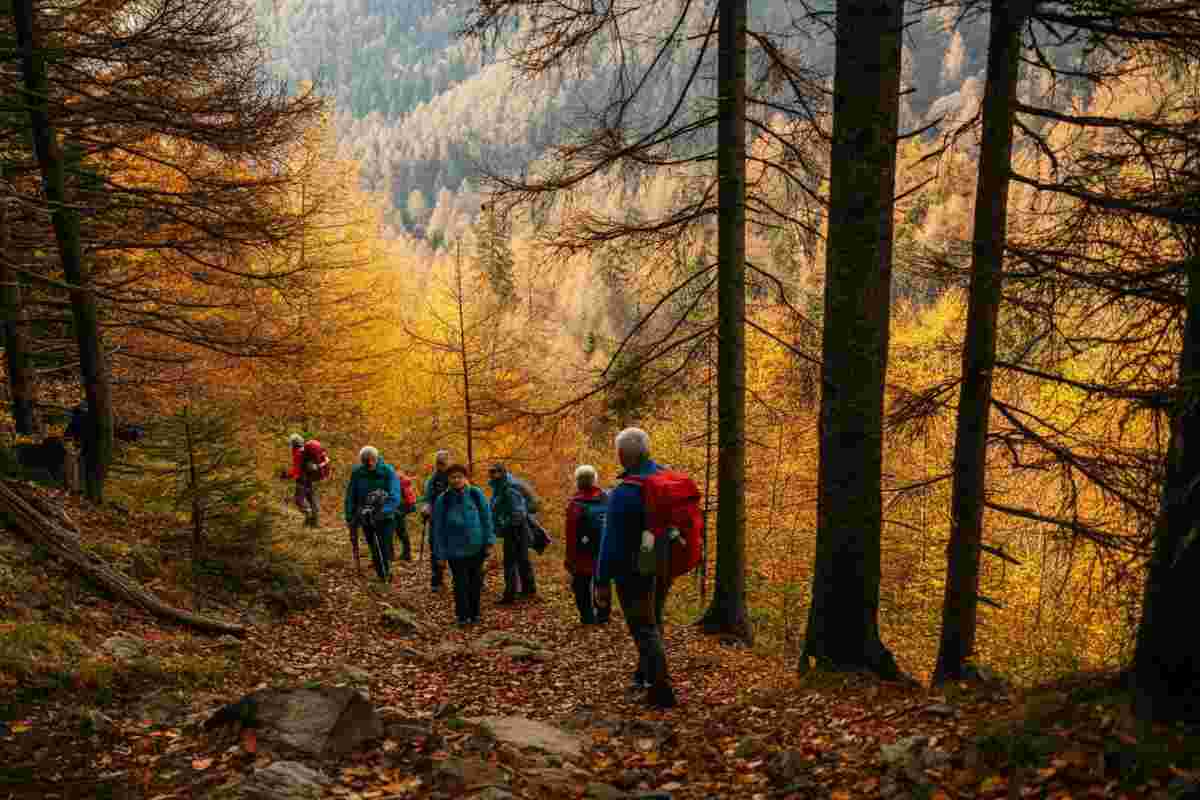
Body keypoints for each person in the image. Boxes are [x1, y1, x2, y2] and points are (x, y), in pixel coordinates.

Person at [594, 427, 677, 709]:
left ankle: (661, 689)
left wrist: (601, 580)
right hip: (663, 561)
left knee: (644, 627)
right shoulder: (666, 477)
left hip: (634, 570)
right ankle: (644, 675)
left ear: (621, 456)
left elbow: (611, 541)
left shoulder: (624, 492)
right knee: (654, 620)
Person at [431, 463, 494, 626]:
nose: (456, 480)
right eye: (453, 477)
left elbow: (487, 519)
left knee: (475, 581)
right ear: (448, 479)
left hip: (476, 547)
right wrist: (439, 554)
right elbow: (437, 528)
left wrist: (489, 542)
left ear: (465, 478)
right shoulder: (443, 500)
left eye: (460, 476)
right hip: (454, 550)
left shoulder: (476, 494)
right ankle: (462, 616)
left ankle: (475, 614)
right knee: (460, 583)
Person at [344, 446, 403, 582]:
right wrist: (349, 514)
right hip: (366, 516)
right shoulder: (357, 472)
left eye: (372, 460)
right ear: (362, 461)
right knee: (373, 545)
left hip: (385, 517)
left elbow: (395, 495)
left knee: (382, 545)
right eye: (366, 461)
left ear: (377, 458)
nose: (370, 463)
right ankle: (381, 573)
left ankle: (385, 574)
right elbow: (351, 494)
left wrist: (384, 511)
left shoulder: (387, 471)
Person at [564, 464, 610, 625]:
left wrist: (569, 558)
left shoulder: (575, 503)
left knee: (581, 585)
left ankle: (587, 617)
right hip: (603, 549)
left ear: (578, 481)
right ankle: (603, 615)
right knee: (602, 581)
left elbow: (571, 534)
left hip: (582, 553)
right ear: (594, 479)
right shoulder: (606, 497)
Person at [488, 462, 537, 604]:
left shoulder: (508, 488)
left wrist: (505, 525)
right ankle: (529, 589)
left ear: (502, 473)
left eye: (495, 472)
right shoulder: (501, 486)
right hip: (516, 527)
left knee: (510, 562)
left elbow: (518, 512)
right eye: (490, 472)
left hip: (515, 529)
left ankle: (510, 595)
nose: (492, 475)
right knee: (522, 559)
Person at [419, 450, 452, 592]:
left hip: (454, 520)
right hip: (437, 520)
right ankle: (437, 581)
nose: (441, 466)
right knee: (436, 549)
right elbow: (428, 497)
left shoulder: (455, 476)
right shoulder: (433, 479)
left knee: (457, 549)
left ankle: (465, 579)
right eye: (439, 463)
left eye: (443, 463)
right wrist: (426, 506)